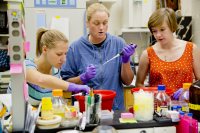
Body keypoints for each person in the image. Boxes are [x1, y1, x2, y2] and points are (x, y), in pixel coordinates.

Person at [60, 3, 137, 110]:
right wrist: (83, 78)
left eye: (105, 23)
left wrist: (126, 61)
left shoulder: (119, 44)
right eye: (96, 23)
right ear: (87, 23)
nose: (101, 27)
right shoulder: (75, 48)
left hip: (114, 109)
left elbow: (128, 81)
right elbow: (64, 84)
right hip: (86, 109)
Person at [7, 28, 90, 106]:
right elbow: (41, 79)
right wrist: (73, 86)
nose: (64, 59)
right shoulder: (26, 65)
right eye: (59, 54)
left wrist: (81, 79)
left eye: (65, 54)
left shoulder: (56, 72)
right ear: (45, 49)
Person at [136, 7, 200, 99]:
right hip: (158, 108)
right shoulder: (147, 54)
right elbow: (139, 84)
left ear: (172, 27)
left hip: (186, 107)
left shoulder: (191, 49)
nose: (158, 35)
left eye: (162, 29)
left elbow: (199, 81)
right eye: (154, 31)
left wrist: (188, 90)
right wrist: (152, 97)